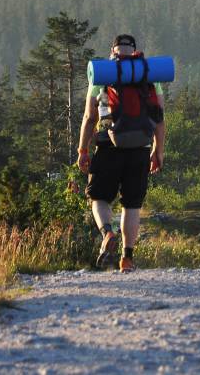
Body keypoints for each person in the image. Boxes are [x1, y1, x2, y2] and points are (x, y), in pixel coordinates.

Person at [75, 34, 166, 273]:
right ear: (134, 50)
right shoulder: (147, 74)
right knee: (132, 205)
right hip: (140, 149)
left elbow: (89, 117)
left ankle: (107, 233)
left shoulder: (103, 73)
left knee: (99, 198)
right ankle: (127, 258)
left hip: (108, 146)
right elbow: (159, 118)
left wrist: (83, 149)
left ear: (113, 50)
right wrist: (158, 150)